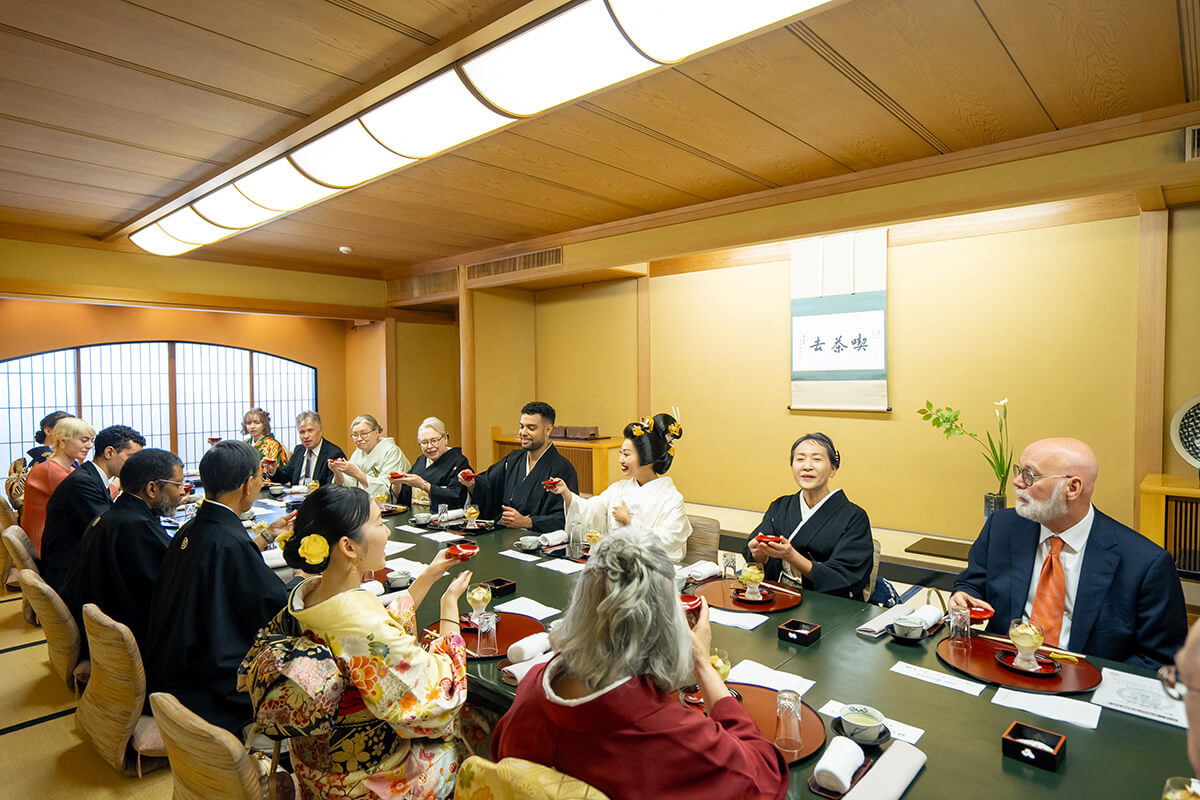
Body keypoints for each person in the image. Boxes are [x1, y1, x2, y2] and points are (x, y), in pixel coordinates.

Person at [491, 530, 788, 800]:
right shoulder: (668, 733)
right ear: (665, 621)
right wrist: (702, 664)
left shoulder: (533, 686)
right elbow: (762, 775)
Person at [241, 485, 471, 799]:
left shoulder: (304, 599)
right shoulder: (363, 628)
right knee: (471, 731)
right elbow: (440, 697)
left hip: (309, 768)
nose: (386, 532)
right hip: (364, 780)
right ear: (349, 546)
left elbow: (379, 628)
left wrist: (429, 575)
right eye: (378, 522)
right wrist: (449, 607)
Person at [951, 437, 1187, 669]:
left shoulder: (1145, 564)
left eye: (1029, 475)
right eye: (1019, 471)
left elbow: (1159, 659)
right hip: (1004, 667)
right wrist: (962, 596)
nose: (1017, 482)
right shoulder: (1002, 527)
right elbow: (972, 584)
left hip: (1086, 685)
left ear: (1072, 488)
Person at [145, 440, 295, 734]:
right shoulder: (227, 540)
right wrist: (301, 579)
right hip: (211, 683)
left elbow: (225, 568)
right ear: (246, 484)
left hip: (174, 665)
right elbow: (275, 606)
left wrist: (266, 535)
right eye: (259, 477)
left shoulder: (196, 528)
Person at [62, 448, 183, 657]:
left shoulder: (117, 516)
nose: (182, 492)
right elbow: (169, 591)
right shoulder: (135, 528)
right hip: (126, 643)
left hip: (100, 629)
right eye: (178, 485)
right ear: (152, 489)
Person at [744, 433, 874, 600]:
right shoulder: (780, 506)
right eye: (800, 459)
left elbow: (846, 576)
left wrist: (791, 556)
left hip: (828, 605)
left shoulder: (854, 517)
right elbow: (760, 561)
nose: (807, 466)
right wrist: (760, 555)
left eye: (817, 459)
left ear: (833, 469)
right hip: (779, 597)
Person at [547, 412, 691, 562]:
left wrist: (630, 522)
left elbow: (669, 542)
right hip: (612, 567)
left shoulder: (672, 499)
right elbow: (591, 510)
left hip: (648, 575)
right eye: (621, 453)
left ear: (648, 459)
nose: (621, 460)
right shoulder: (618, 489)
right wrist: (566, 493)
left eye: (627, 455)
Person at [41, 425, 145, 592]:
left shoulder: (91, 476)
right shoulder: (82, 482)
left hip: (77, 563)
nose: (135, 466)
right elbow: (110, 529)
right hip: (69, 575)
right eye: (131, 458)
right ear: (109, 452)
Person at [460, 402, 578, 532]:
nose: (523, 432)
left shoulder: (562, 468)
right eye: (522, 427)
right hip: (503, 533)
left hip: (537, 541)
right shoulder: (512, 459)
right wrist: (472, 484)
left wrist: (527, 522)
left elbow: (565, 516)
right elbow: (488, 485)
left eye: (531, 428)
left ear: (548, 430)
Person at [22, 416, 95, 557]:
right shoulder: (50, 470)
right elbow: (87, 503)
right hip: (46, 549)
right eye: (84, 440)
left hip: (56, 541)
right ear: (62, 441)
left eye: (91, 441)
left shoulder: (69, 469)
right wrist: (117, 483)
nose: (90, 446)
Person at [389, 417, 472, 512]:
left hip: (443, 520)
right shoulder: (421, 460)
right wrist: (397, 484)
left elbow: (457, 497)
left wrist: (423, 485)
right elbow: (406, 496)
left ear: (445, 439)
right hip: (416, 518)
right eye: (424, 442)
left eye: (434, 440)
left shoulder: (458, 461)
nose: (429, 446)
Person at [6, 410, 73, 515]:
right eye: (65, 428)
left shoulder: (44, 458)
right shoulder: (46, 460)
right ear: (48, 430)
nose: (71, 433)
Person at [330, 414, 410, 499]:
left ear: (376, 432)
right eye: (355, 435)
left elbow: (388, 492)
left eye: (364, 434)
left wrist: (356, 473)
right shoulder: (358, 453)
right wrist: (337, 472)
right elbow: (349, 485)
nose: (359, 439)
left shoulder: (392, 451)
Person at [266, 411, 346, 487]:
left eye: (310, 431)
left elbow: (333, 488)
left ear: (320, 431)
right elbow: (286, 476)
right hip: (296, 498)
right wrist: (273, 471)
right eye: (302, 432)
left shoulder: (334, 454)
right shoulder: (299, 450)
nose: (306, 436)